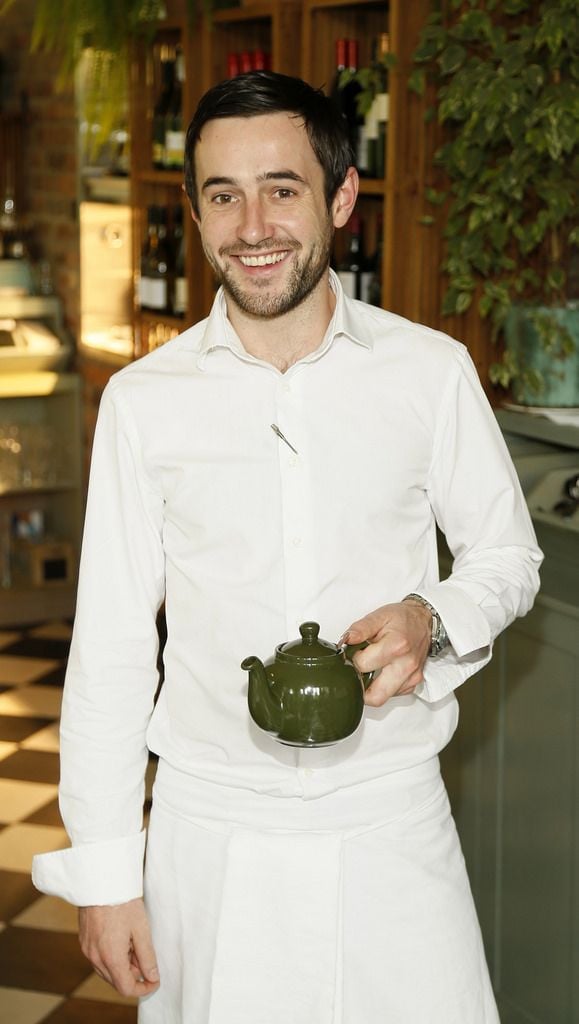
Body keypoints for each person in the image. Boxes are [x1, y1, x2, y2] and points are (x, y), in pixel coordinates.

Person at [33, 70, 542, 1023]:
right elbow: (107, 651)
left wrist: (431, 618)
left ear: (341, 197)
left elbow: (508, 556)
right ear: (192, 212)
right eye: (222, 195)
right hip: (210, 837)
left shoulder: (429, 371)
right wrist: (106, 873)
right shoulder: (143, 404)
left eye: (282, 189)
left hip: (390, 824)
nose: (252, 225)